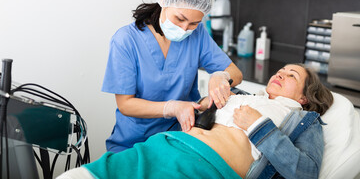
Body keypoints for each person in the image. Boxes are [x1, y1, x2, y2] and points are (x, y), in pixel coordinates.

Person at [58, 63, 334, 179]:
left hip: (205, 166)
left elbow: (304, 173)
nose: (281, 74)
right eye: (282, 70)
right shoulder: (241, 96)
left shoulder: (302, 119)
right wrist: (207, 101)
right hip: (167, 145)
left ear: (305, 97)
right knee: (87, 174)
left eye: (292, 76)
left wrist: (258, 125)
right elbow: (207, 106)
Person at [101, 0, 243, 153]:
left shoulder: (198, 35)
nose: (185, 29)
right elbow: (125, 104)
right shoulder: (126, 40)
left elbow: (235, 73)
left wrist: (221, 76)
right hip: (134, 143)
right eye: (180, 19)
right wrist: (171, 108)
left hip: (181, 138)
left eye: (194, 23)